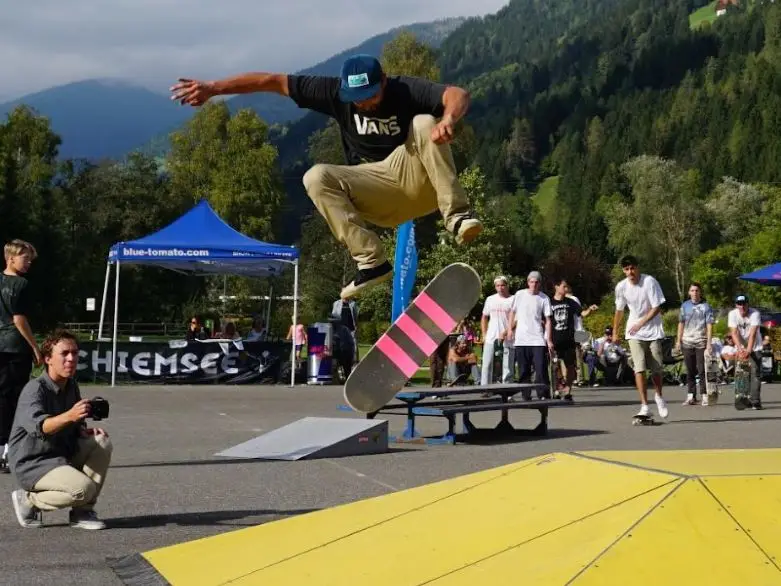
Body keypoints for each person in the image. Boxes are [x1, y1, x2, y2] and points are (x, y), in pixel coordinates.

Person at [170, 55, 483, 299]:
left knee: (425, 123)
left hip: (419, 180)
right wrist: (214, 88)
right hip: (376, 193)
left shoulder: (405, 89)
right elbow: (271, 81)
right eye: (357, 98)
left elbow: (457, 94)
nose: (364, 103)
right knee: (315, 176)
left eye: (370, 95)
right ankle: (372, 262)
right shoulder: (331, 92)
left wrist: (449, 119)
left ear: (384, 82)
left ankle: (457, 216)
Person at [8, 329, 112, 530]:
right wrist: (70, 416)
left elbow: (73, 422)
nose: (71, 358)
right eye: (64, 353)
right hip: (33, 463)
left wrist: (82, 431)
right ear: (48, 359)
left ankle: (82, 512)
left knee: (101, 443)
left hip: (60, 455)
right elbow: (42, 427)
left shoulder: (71, 385)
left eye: (75, 353)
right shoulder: (34, 389)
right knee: (83, 489)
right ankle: (28, 500)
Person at [1, 239, 42, 474]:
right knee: (15, 399)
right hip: (15, 347)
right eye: (25, 258)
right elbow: (19, 319)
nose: (29, 263)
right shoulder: (21, 284)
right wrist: (35, 347)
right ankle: (9, 450)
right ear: (11, 258)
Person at [612, 255, 669, 419]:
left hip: (653, 330)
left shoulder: (649, 282)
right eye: (627, 269)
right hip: (634, 332)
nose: (630, 272)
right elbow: (619, 310)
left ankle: (658, 396)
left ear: (638, 268)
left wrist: (641, 323)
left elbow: (657, 308)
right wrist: (615, 331)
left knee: (656, 368)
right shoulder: (621, 287)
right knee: (639, 367)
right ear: (623, 271)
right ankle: (644, 405)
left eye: (632, 268)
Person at [506, 271, 553, 399]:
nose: (534, 285)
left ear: (539, 284)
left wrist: (548, 339)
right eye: (531, 282)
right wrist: (509, 330)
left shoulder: (544, 298)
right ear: (528, 283)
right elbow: (512, 312)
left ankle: (543, 394)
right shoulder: (520, 294)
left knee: (540, 368)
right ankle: (526, 395)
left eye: (536, 282)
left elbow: (548, 320)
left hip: (537, 339)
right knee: (523, 370)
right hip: (521, 339)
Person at [675, 282, 715, 406]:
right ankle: (691, 395)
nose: (694, 293)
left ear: (700, 292)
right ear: (689, 292)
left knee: (702, 369)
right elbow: (681, 323)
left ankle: (704, 395)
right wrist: (678, 341)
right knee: (690, 370)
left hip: (701, 341)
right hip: (687, 341)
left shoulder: (706, 306)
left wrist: (709, 343)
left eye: (697, 290)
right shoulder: (685, 306)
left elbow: (709, 325)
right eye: (692, 290)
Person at [728, 294, 763, 409]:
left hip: (755, 347)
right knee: (742, 374)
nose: (742, 307)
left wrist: (749, 350)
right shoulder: (732, 314)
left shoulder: (755, 314)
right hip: (741, 347)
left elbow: (753, 334)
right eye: (739, 304)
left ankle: (755, 401)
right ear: (736, 305)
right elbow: (734, 333)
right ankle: (743, 399)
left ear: (748, 304)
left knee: (755, 373)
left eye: (744, 304)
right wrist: (740, 348)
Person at [550, 278, 582, 401]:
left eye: (567, 287)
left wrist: (590, 309)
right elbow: (544, 320)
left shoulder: (571, 302)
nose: (566, 289)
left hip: (569, 339)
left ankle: (568, 390)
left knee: (570, 366)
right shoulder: (549, 302)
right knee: (555, 365)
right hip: (554, 339)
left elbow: (581, 314)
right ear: (556, 287)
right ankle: (558, 387)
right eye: (564, 286)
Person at [479, 276, 514, 385]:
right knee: (487, 364)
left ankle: (507, 390)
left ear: (507, 286)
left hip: (507, 338)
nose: (500, 288)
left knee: (507, 367)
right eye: (498, 286)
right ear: (495, 287)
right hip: (491, 337)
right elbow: (484, 317)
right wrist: (484, 334)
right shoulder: (490, 299)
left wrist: (505, 332)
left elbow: (516, 320)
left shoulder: (513, 299)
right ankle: (485, 388)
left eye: (502, 285)